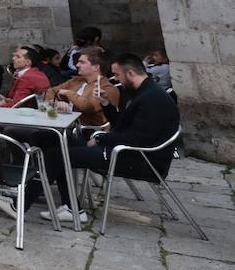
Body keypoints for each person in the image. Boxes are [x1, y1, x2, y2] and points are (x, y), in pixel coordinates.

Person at [11, 53, 178, 225]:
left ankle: (19, 205)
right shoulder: (140, 92)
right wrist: (106, 105)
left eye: (117, 75)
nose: (115, 78)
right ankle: (70, 207)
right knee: (53, 140)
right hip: (127, 151)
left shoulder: (152, 98)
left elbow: (138, 139)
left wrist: (100, 138)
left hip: (140, 160)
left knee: (57, 156)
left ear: (130, 74)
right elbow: (122, 125)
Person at [45, 47, 119, 127]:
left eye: (82, 62)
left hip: (87, 130)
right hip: (63, 123)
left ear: (96, 67)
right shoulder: (76, 80)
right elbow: (50, 91)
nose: (77, 65)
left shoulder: (107, 89)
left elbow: (88, 107)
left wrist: (68, 93)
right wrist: (56, 103)